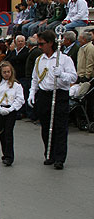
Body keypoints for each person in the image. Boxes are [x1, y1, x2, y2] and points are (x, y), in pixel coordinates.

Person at [28, 29, 78, 170]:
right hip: (44, 94)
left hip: (59, 94)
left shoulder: (64, 59)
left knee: (60, 127)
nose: (39, 46)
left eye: (42, 44)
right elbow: (35, 78)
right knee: (45, 126)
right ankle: (49, 153)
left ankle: (60, 158)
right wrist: (32, 93)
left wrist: (61, 74)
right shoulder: (39, 59)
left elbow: (73, 77)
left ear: (50, 43)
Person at [0, 61, 24, 166]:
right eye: (4, 72)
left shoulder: (16, 85)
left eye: (8, 72)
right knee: (2, 132)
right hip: (0, 110)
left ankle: (9, 156)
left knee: (9, 133)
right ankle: (5, 153)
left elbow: (20, 99)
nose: (7, 74)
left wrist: (11, 109)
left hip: (10, 111)